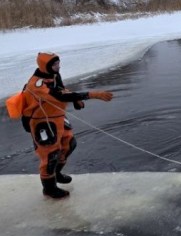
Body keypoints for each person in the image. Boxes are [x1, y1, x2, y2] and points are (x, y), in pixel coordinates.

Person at [20, 52, 113, 199]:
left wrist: (75, 100)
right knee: (50, 155)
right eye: (55, 64)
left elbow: (62, 90)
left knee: (70, 144)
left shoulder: (53, 75)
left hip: (58, 117)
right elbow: (59, 96)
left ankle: (56, 173)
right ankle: (49, 188)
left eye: (58, 63)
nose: (58, 66)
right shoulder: (36, 84)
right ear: (46, 66)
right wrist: (92, 95)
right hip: (42, 121)